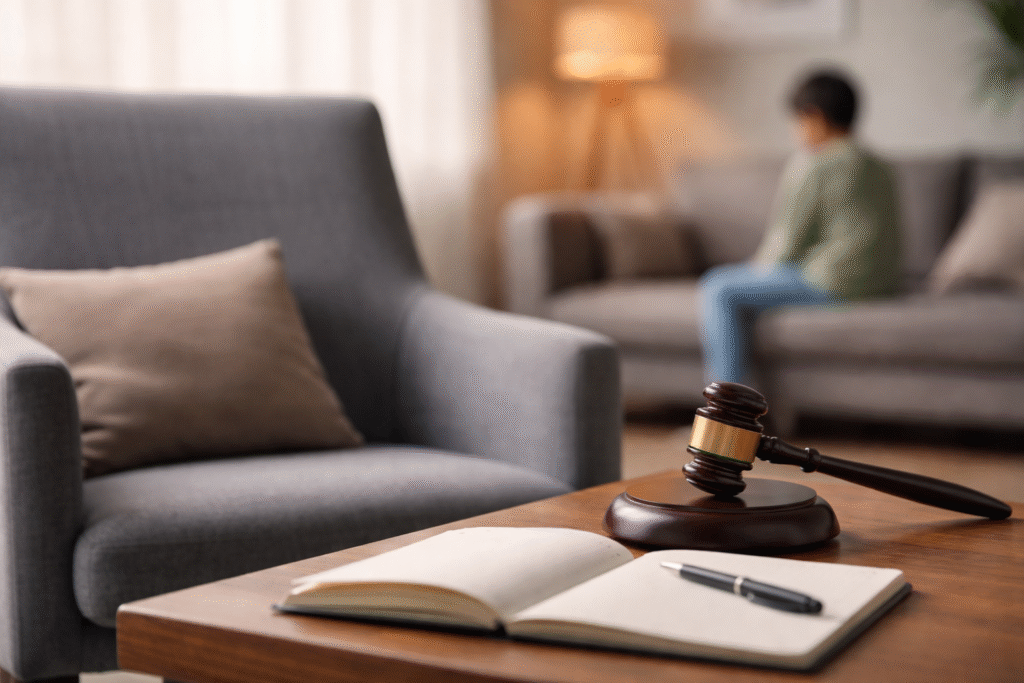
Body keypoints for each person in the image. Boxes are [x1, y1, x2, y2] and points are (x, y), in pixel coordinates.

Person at [699, 69, 901, 388]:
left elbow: (785, 244)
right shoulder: (878, 164)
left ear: (814, 117)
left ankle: (727, 414)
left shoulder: (814, 163)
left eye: (797, 121)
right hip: (881, 283)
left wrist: (754, 271)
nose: (795, 131)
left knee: (719, 287)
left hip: (835, 282)